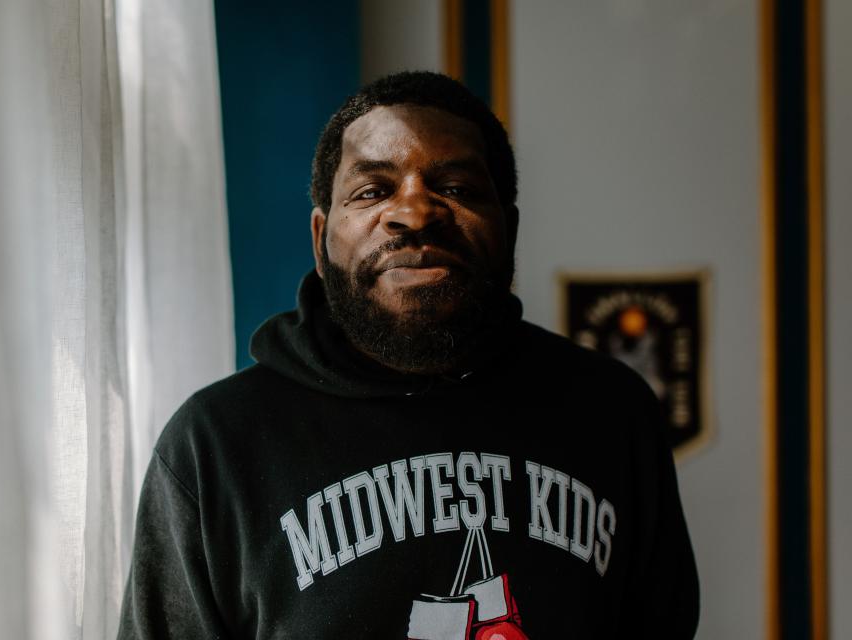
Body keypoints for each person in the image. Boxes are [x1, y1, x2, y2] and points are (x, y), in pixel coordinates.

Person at [117, 71, 699, 639]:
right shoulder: (216, 442)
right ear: (322, 240)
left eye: (457, 189)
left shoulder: (612, 413)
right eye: (372, 191)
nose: (416, 213)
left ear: (510, 229)